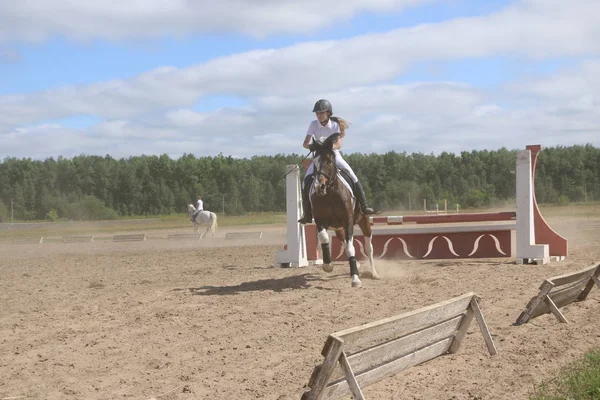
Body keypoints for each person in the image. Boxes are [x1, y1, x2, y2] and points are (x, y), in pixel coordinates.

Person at [298, 99, 379, 224]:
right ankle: (307, 213)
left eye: (321, 113)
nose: (319, 115)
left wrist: (328, 147)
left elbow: (338, 144)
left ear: (328, 113)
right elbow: (305, 144)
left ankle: (364, 205)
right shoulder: (313, 124)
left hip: (333, 155)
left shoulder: (334, 125)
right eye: (317, 113)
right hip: (319, 156)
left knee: (352, 175)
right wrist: (311, 147)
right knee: (306, 181)